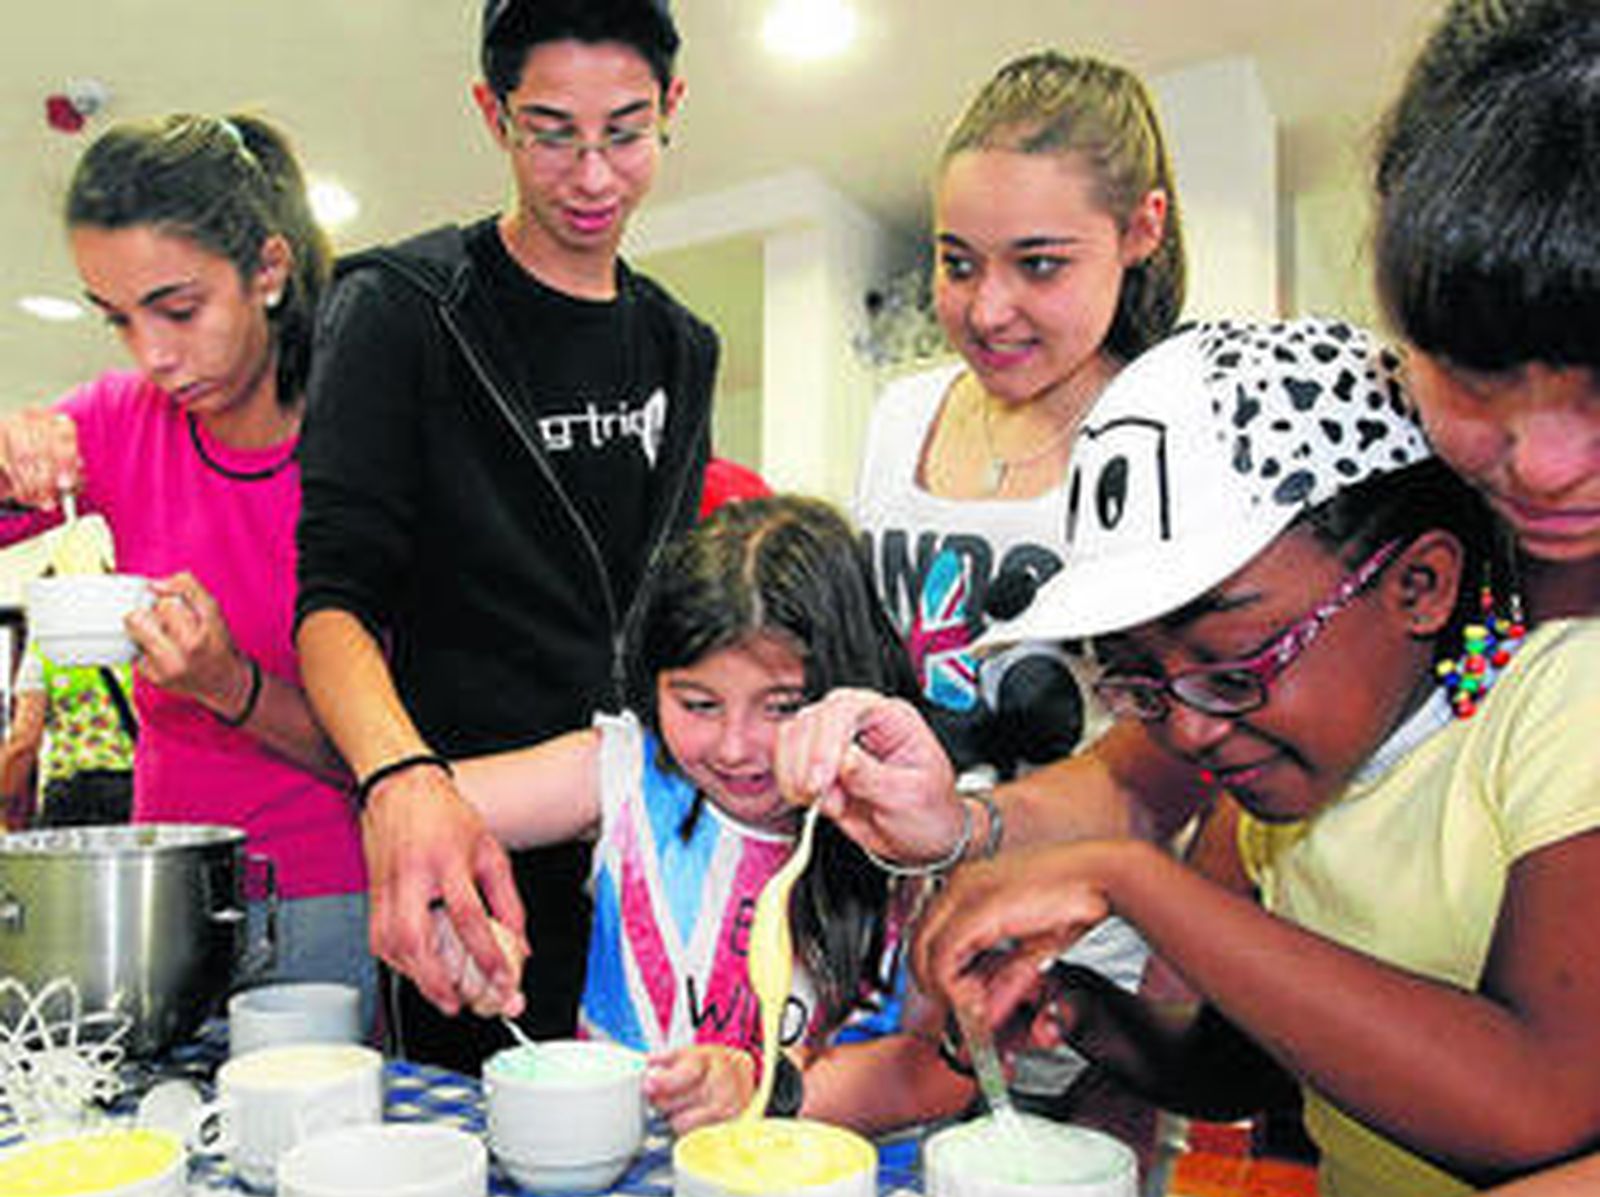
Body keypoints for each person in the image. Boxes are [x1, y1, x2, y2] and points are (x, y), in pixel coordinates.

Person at [745, 4, 1600, 1197]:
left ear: (1420, 584)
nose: (1190, 722)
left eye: (1234, 657)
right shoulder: (1280, 785)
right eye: (1148, 677)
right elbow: (1252, 1072)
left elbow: (1539, 1099)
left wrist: (1135, 884)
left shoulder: (1559, 707)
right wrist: (1095, 1012)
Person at [294, 0, 719, 1070]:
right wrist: (401, 785)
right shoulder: (405, 310)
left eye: (624, 132)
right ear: (493, 115)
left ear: (671, 109)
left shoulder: (681, 345)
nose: (590, 178)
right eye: (551, 132)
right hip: (467, 851)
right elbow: (333, 600)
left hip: (647, 856)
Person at [0, 113, 373, 1027]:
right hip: (156, 896)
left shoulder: (359, 441)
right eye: (119, 320)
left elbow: (388, 757)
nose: (153, 356)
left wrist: (228, 685)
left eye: (178, 309)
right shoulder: (118, 422)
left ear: (269, 270)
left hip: (327, 897)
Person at [450, 496, 975, 1134]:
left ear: (849, 683)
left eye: (782, 707)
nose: (734, 747)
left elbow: (945, 1070)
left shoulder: (913, 824)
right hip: (635, 1189)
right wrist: (452, 917)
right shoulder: (624, 774)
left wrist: (761, 1090)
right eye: (698, 704)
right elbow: (420, 814)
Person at [855, 50, 1183, 786]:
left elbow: (1194, 740)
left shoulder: (1175, 432)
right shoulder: (902, 416)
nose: (987, 311)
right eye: (959, 264)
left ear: (1141, 229)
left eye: (1038, 264)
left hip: (1096, 885)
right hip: (911, 881)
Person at [0, 646, 135, 829]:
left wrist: (5, 802)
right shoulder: (138, 642)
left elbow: (23, 743)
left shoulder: (44, 650)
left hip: (71, 796)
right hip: (134, 788)